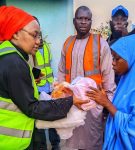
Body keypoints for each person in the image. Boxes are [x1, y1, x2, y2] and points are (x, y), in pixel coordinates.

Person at [0, 6, 88, 150]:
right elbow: (32, 107)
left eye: (39, 36)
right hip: (11, 142)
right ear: (15, 33)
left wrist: (32, 75)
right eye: (34, 35)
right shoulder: (14, 62)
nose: (38, 41)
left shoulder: (8, 53)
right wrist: (70, 101)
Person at [58, 6, 116, 150]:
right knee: (70, 143)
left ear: (91, 22)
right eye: (80, 18)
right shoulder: (67, 43)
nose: (83, 22)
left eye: (87, 19)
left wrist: (107, 105)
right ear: (74, 21)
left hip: (92, 105)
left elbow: (108, 75)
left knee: (91, 143)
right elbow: (61, 72)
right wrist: (60, 97)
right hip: (71, 103)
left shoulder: (100, 43)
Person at [86, 34, 135, 149]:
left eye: (117, 58)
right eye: (112, 58)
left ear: (132, 57)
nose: (113, 63)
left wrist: (107, 103)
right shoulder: (127, 81)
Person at [32, 17, 60, 150]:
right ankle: (42, 147)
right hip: (36, 90)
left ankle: (55, 144)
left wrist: (54, 83)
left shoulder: (47, 46)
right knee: (40, 121)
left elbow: (49, 66)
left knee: (52, 118)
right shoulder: (30, 48)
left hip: (49, 88)